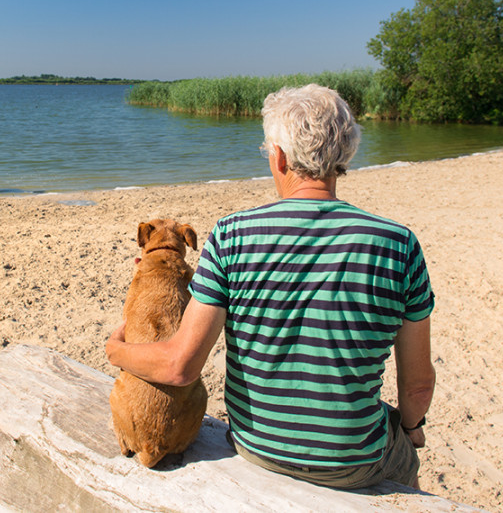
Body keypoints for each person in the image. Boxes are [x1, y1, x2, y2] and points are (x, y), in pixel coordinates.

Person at [107, 84, 435, 489]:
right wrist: (413, 425)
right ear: (345, 156)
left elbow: (180, 366)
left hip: (257, 447)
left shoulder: (232, 235)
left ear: (278, 156)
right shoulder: (399, 244)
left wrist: (117, 350)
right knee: (403, 457)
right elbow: (418, 386)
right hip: (354, 462)